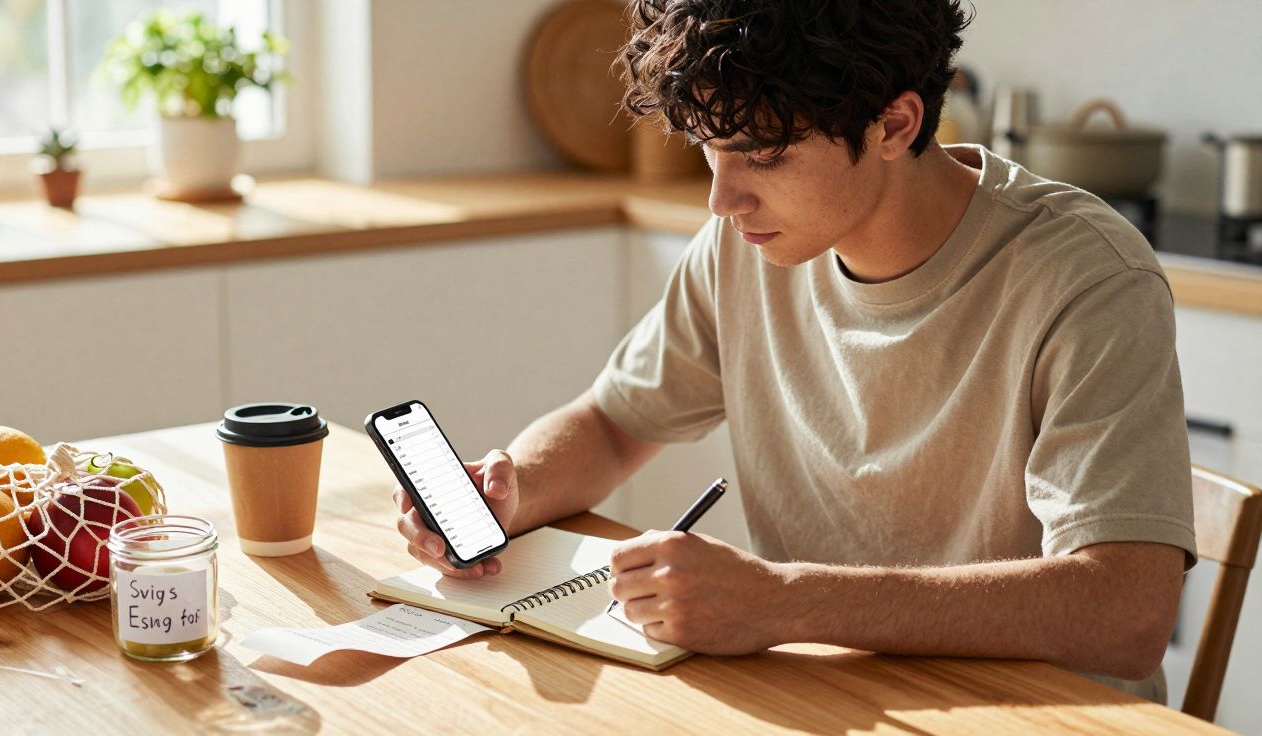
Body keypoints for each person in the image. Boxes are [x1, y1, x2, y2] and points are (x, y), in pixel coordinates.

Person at [392, 0, 1195, 702]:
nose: (722, 197)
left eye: (763, 154)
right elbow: (611, 422)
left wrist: (782, 601)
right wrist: (511, 491)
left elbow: (1123, 610)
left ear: (895, 124)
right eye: (711, 147)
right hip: (826, 697)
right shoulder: (746, 244)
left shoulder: (1085, 278)